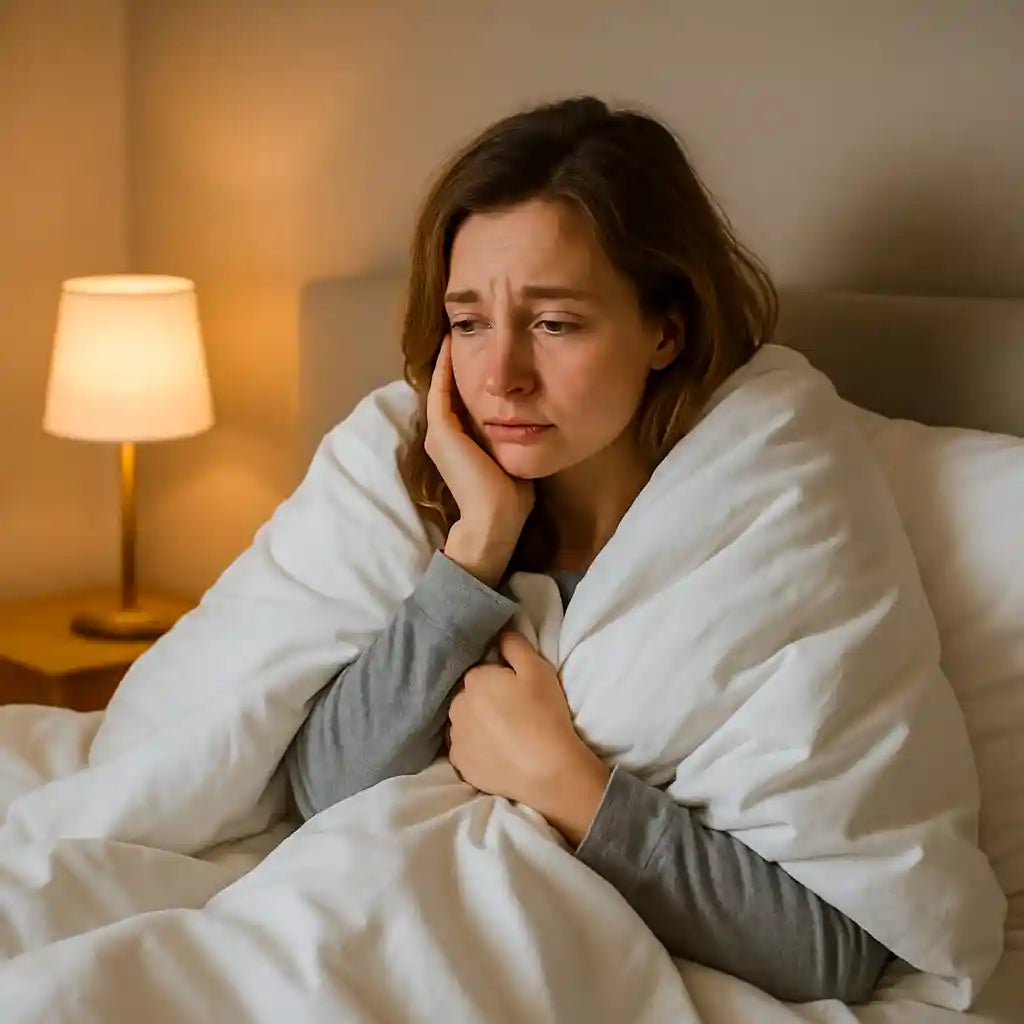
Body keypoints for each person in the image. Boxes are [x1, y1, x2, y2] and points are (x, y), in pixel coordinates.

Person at [285, 96, 891, 1004]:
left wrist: (566, 782)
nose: (501, 377)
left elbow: (834, 949)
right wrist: (477, 547)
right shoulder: (425, 505)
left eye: (555, 322)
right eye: (469, 322)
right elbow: (324, 792)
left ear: (665, 329)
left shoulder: (762, 528)